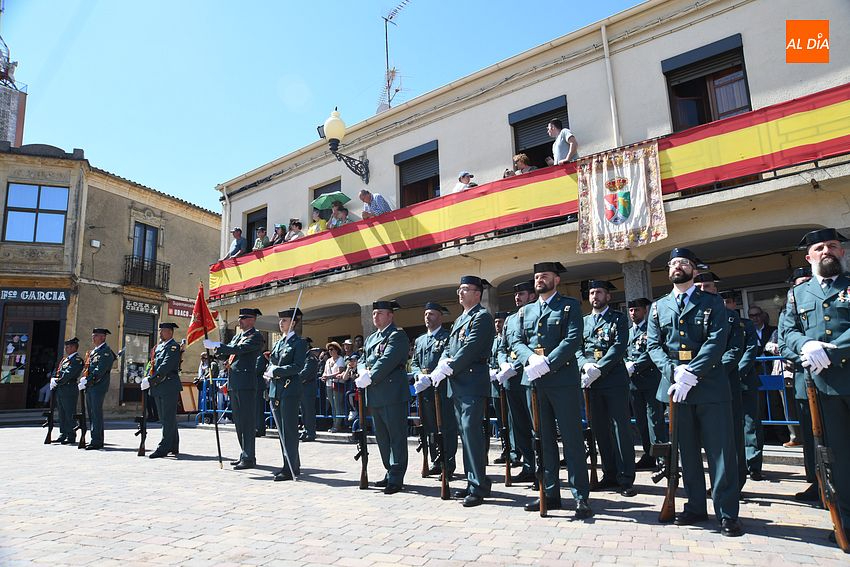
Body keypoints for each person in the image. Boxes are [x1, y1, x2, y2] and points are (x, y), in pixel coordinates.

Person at [646, 248, 742, 537]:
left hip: (709, 387)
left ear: (694, 270)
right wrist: (673, 371)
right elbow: (653, 345)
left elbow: (717, 340)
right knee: (686, 453)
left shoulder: (712, 303)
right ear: (668, 271)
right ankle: (695, 507)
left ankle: (727, 514)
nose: (678, 267)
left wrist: (693, 371)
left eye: (684, 263)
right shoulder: (659, 307)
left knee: (720, 454)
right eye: (673, 263)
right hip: (677, 390)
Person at [779, 228, 850, 546]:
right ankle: (846, 525)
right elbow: (786, 335)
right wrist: (806, 345)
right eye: (820, 248)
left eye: (833, 246)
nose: (827, 251)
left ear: (843, 252)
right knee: (838, 459)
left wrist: (831, 352)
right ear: (809, 258)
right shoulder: (798, 295)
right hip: (822, 389)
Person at [508, 262, 592, 518]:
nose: (539, 280)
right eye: (536, 277)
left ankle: (581, 497)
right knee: (542, 442)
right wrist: (530, 359)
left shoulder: (569, 306)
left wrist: (548, 362)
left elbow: (573, 338)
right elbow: (515, 339)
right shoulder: (525, 312)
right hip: (534, 382)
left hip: (562, 382)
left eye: (544, 276)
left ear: (556, 279)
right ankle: (550, 493)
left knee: (572, 440)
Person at [427, 276, 495, 507]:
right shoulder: (459, 320)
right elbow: (450, 346)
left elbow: (471, 348)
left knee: (471, 433)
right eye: (459, 289)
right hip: (457, 384)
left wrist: (450, 366)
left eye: (465, 289)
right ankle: (473, 481)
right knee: (465, 436)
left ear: (478, 293)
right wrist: (443, 362)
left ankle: (478, 485)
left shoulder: (482, 317)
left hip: (472, 382)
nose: (460, 293)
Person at [578, 280, 636, 496]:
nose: (595, 296)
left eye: (599, 292)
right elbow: (577, 349)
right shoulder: (583, 322)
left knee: (620, 429)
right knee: (600, 429)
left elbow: (619, 347)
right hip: (591, 384)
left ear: (608, 296)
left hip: (614, 381)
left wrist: (599, 369)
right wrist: (585, 365)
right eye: (592, 292)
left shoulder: (619, 319)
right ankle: (609, 473)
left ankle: (626, 477)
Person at [693, 274, 746, 494]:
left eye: (707, 286)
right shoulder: (691, 313)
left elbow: (734, 350)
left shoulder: (731, 317)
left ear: (715, 290)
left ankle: (736, 482)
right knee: (699, 441)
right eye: (699, 286)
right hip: (694, 383)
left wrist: (713, 370)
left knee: (729, 438)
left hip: (724, 382)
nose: (703, 289)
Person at [355, 300, 410, 494]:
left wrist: (369, 376)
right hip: (375, 394)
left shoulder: (397, 335)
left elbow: (388, 360)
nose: (375, 317)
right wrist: (362, 371)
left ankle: (396, 476)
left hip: (392, 392)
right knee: (382, 438)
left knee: (396, 436)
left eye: (379, 313)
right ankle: (389, 471)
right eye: (374, 313)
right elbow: (362, 359)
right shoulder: (371, 338)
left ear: (390, 316)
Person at [204, 308, 265, 470]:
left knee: (247, 421)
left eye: (244, 318)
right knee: (239, 422)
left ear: (252, 320)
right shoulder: (238, 336)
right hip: (235, 382)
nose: (240, 321)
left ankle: (249, 456)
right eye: (240, 318)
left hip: (246, 383)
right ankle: (244, 454)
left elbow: (239, 350)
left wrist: (218, 345)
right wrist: (214, 349)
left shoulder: (256, 336)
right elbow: (228, 352)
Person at [778, 266, 820, 501]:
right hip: (807, 381)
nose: (804, 285)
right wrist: (806, 357)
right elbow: (785, 345)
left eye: (808, 280)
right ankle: (816, 482)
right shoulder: (788, 312)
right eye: (799, 282)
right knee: (812, 437)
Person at [495, 281, 537, 483]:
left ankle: (542, 468)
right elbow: (502, 348)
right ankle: (528, 466)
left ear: (532, 295)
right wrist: (503, 365)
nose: (517, 297)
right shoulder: (510, 320)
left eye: (521, 293)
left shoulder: (537, 314)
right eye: (516, 294)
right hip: (511, 381)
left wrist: (516, 367)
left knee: (536, 426)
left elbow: (536, 348)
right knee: (518, 427)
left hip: (531, 378)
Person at [411, 302, 457, 477]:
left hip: (442, 389)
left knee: (446, 427)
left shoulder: (447, 337)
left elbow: (448, 358)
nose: (427, 318)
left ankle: (448, 463)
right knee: (429, 428)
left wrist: (435, 375)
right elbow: (415, 362)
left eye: (431, 314)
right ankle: (435, 461)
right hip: (425, 390)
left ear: (440, 316)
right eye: (425, 314)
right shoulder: (420, 340)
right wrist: (417, 375)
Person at [264, 308, 308, 481]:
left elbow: (297, 367)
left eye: (285, 320)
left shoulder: (299, 343)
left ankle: (289, 467)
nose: (281, 323)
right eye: (280, 320)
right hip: (276, 389)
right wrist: (270, 371)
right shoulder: (279, 342)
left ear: (293, 323)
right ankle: (291, 464)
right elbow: (273, 362)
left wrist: (277, 371)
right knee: (281, 430)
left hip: (290, 389)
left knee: (289, 430)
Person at [625, 298, 666, 470]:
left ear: (645, 311)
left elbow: (652, 351)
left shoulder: (651, 330)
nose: (634, 313)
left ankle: (662, 458)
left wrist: (635, 365)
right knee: (641, 421)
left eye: (637, 310)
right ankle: (649, 454)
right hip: (634, 384)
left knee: (654, 420)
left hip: (650, 381)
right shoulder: (628, 332)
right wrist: (626, 363)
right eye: (631, 310)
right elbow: (623, 350)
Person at [142, 323, 184, 458]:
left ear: (170, 332)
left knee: (167, 417)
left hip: (168, 386)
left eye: (163, 331)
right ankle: (173, 445)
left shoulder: (173, 347)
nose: (160, 333)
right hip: (159, 386)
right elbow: (153, 363)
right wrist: (148, 376)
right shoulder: (159, 347)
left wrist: (151, 380)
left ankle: (163, 448)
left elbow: (166, 366)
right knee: (166, 418)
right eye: (160, 331)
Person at [78, 328, 117, 450]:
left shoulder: (105, 352)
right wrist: (84, 380)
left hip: (98, 386)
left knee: (96, 413)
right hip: (91, 386)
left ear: (103, 337)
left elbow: (99, 371)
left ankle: (97, 440)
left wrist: (87, 380)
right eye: (93, 335)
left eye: (96, 335)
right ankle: (95, 438)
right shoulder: (94, 352)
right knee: (92, 413)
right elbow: (89, 368)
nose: (93, 337)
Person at [51, 337, 83, 445]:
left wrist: (58, 381)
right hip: (61, 388)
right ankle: (63, 433)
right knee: (62, 412)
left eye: (68, 347)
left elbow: (69, 374)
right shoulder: (65, 359)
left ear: (74, 347)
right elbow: (58, 371)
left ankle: (71, 435)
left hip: (69, 388)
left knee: (69, 412)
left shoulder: (77, 360)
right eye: (66, 346)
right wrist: (54, 379)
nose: (66, 348)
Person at [322, 342, 346, 432]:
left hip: (338, 384)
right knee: (332, 405)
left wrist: (329, 376)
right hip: (328, 384)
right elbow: (325, 371)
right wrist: (324, 376)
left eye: (332, 349)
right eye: (329, 350)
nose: (330, 351)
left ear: (337, 350)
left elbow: (340, 371)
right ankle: (334, 423)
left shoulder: (340, 359)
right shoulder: (328, 360)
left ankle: (338, 425)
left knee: (337, 404)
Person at [299, 346, 321, 442]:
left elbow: (305, 372)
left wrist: (295, 377)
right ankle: (306, 430)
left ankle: (311, 433)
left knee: (309, 412)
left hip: (308, 388)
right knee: (304, 411)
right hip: (303, 387)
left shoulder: (310, 359)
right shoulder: (303, 358)